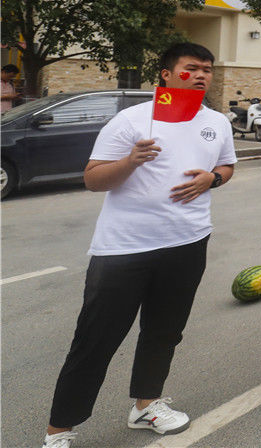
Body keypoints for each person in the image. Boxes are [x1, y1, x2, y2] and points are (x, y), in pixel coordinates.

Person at [42, 43, 235, 448]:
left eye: (207, 69)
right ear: (165, 74)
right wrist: (130, 161)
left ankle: (146, 406)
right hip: (124, 249)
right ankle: (59, 430)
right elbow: (93, 179)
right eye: (191, 68)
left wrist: (212, 179)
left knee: (164, 332)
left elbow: (226, 165)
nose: (201, 75)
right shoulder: (131, 120)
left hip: (188, 241)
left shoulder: (216, 121)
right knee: (96, 338)